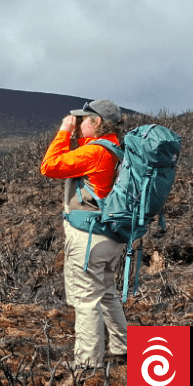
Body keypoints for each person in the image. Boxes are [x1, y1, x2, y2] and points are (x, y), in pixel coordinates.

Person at [40, 99, 128, 369]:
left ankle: (88, 363)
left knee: (86, 298)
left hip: (89, 236)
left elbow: (50, 166)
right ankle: (123, 347)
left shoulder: (95, 153)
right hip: (110, 235)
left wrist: (64, 132)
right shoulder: (115, 149)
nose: (78, 124)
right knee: (107, 292)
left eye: (83, 120)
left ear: (97, 122)